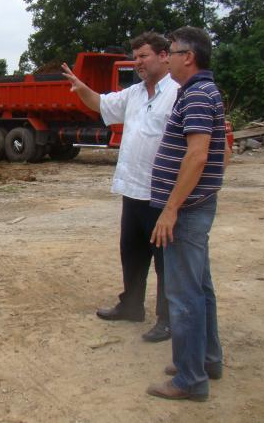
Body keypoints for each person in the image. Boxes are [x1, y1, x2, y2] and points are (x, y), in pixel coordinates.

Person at [61, 32, 178, 343]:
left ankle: (167, 319)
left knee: (167, 262)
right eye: (135, 57)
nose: (137, 62)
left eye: (144, 56)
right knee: (132, 254)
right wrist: (80, 86)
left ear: (164, 55)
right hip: (133, 191)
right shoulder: (134, 93)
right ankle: (131, 307)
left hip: (161, 195)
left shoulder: (178, 93)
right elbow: (100, 104)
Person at [146, 26, 229, 402]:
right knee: (201, 289)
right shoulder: (201, 91)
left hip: (187, 211)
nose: (169, 58)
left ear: (188, 57)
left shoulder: (196, 94)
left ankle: (190, 380)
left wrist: (170, 209)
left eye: (173, 52)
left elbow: (196, 155)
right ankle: (206, 360)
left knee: (184, 296)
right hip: (196, 208)